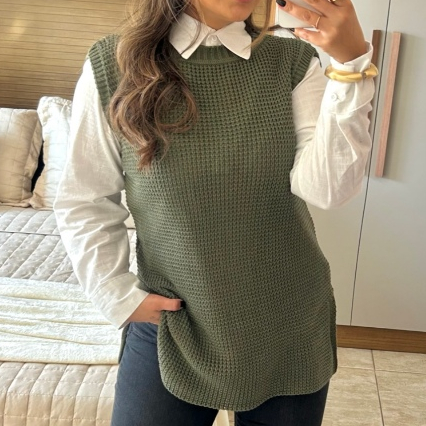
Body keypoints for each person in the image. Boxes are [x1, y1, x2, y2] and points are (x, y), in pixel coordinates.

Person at [54, 0, 376, 424]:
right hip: (172, 323)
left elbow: (327, 191)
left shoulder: (292, 62)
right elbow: (86, 197)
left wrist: (350, 67)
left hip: (288, 323)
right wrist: (115, 294)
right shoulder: (114, 64)